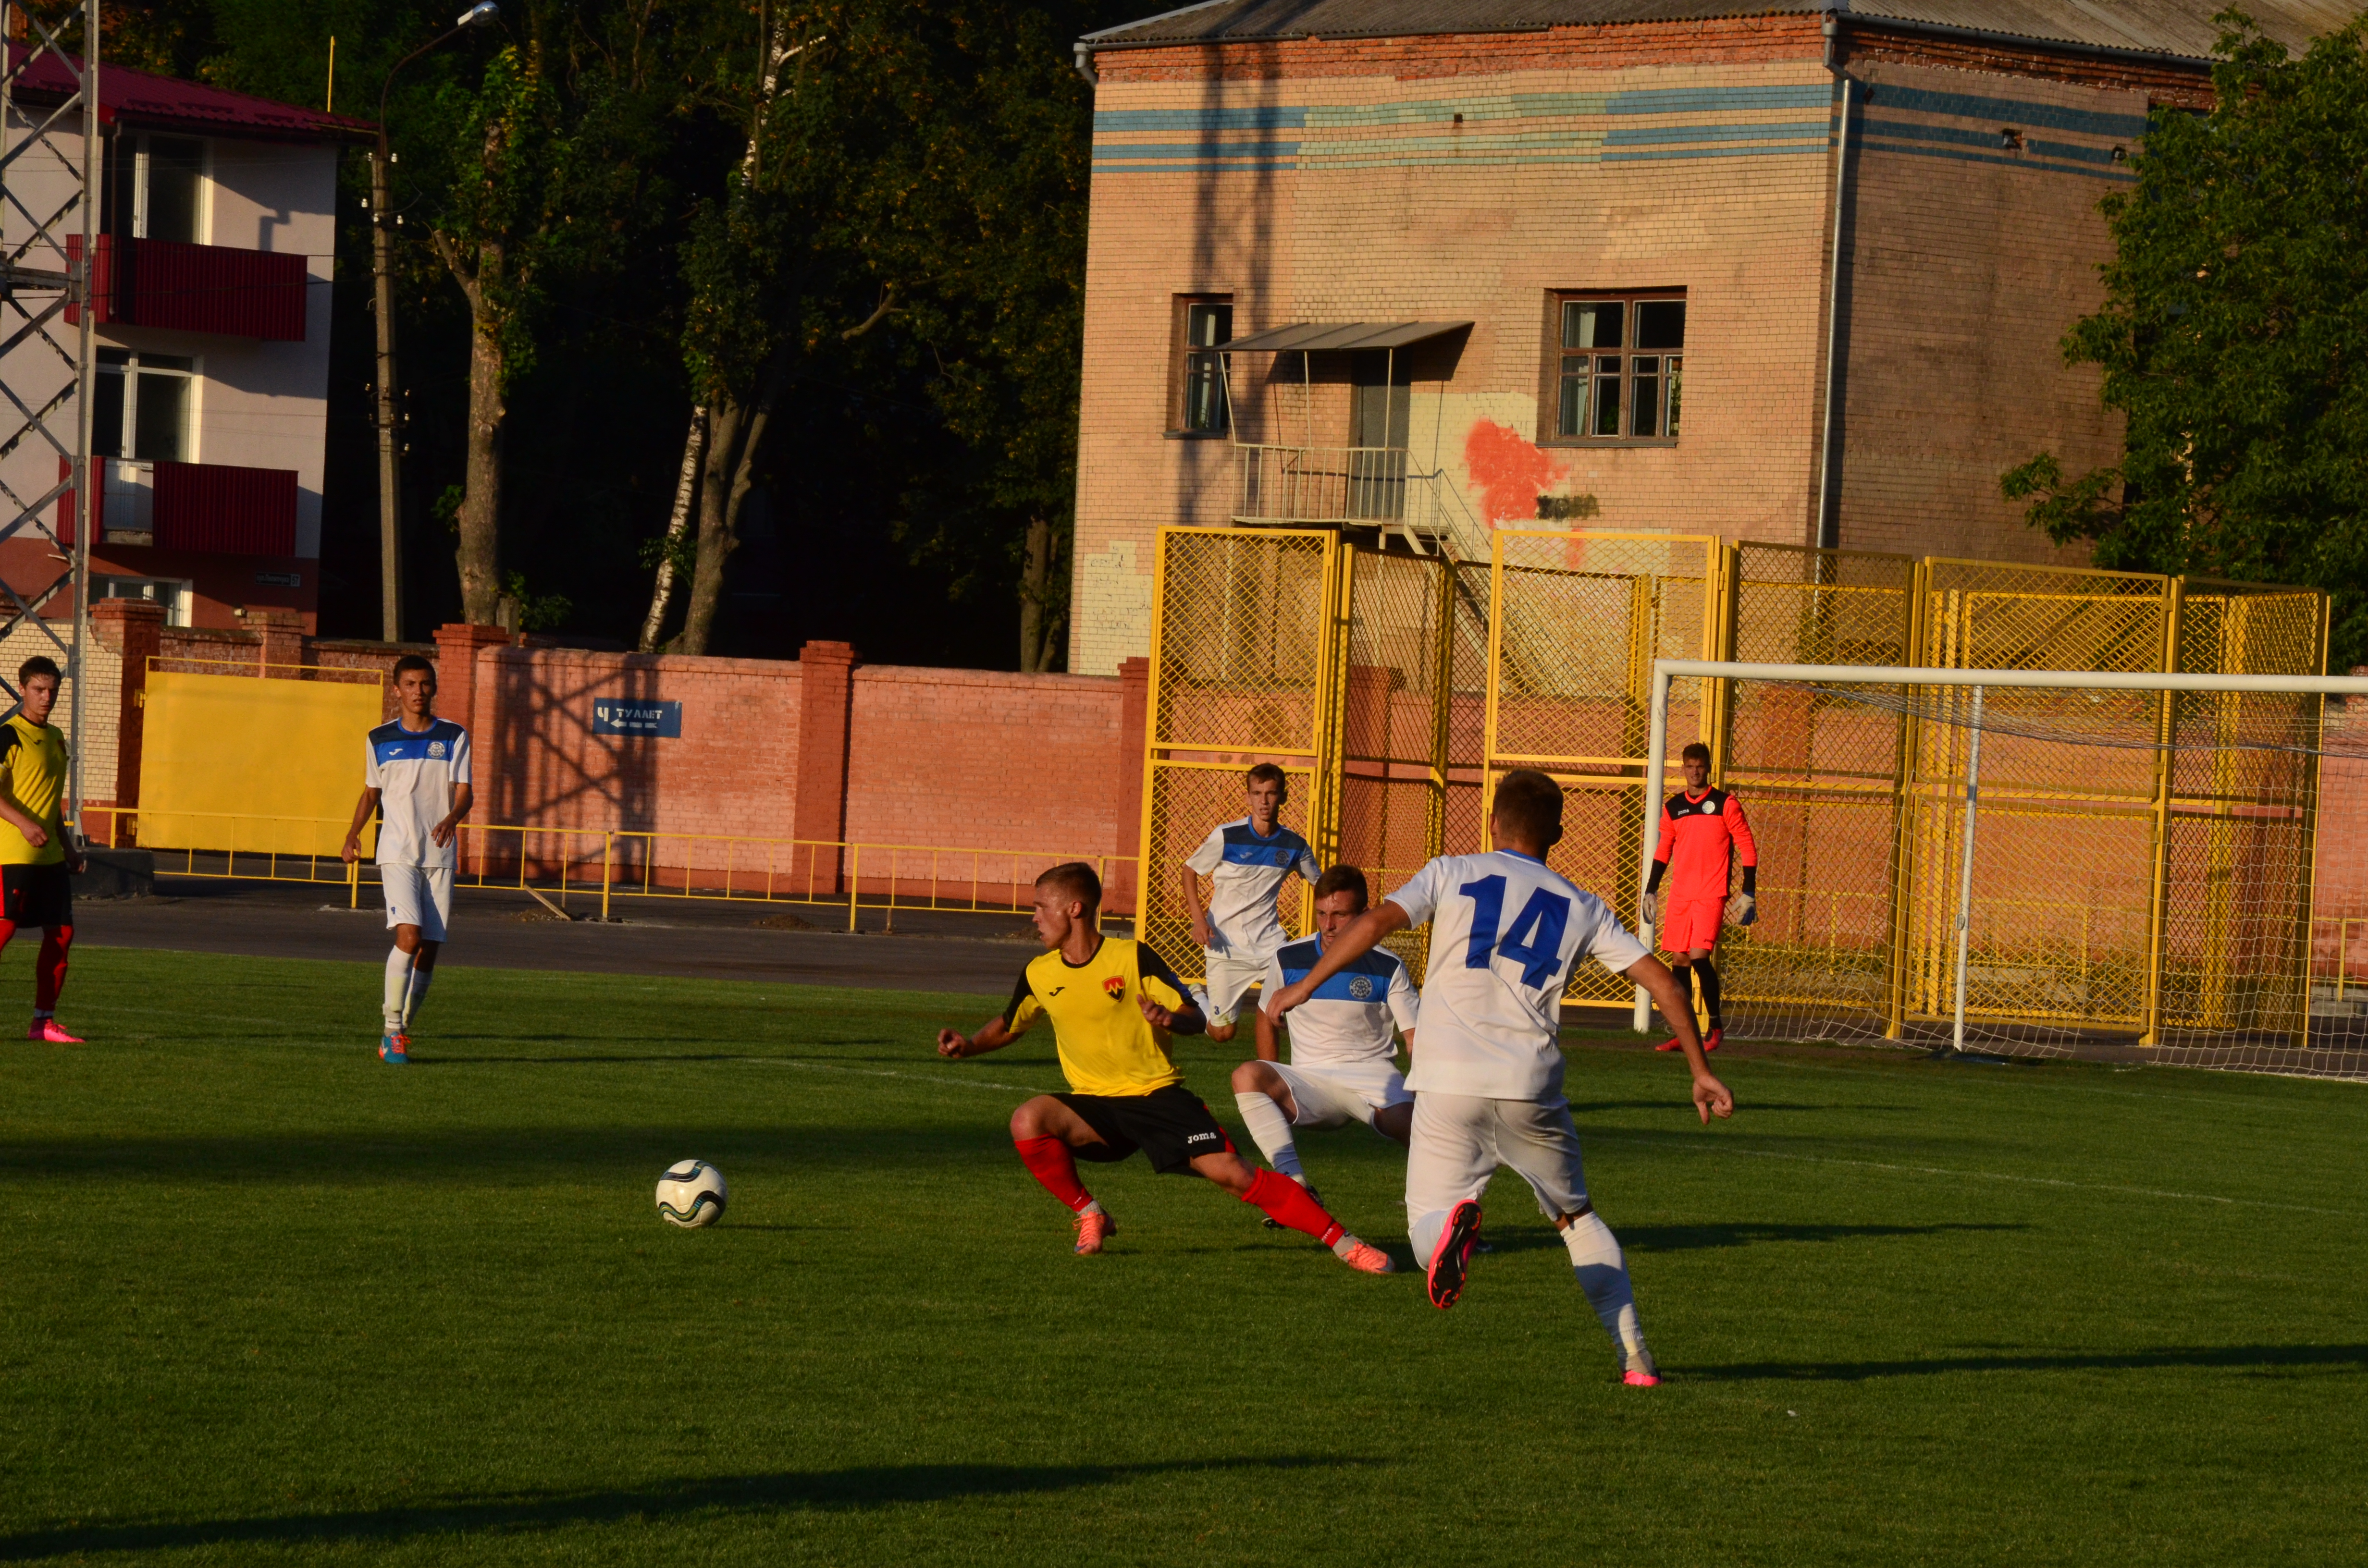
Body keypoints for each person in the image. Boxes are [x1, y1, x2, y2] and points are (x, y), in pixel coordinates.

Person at [1264, 769, 1734, 1386]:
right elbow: (1667, 983)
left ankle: (1456, 1221)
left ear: (1491, 821)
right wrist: (1699, 1071)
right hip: (1529, 1086)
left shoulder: (1449, 872)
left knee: (1426, 1229)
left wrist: (1303, 982)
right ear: (1558, 834)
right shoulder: (1583, 906)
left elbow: (1373, 924)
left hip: (1447, 1080)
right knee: (1577, 1221)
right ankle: (1635, 1360)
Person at [937, 860, 1393, 1274]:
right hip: (1096, 1106)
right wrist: (969, 1044)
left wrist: (1169, 1019)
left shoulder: (1131, 957)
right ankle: (1090, 1213)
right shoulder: (1040, 972)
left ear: (1074, 908)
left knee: (1235, 1174)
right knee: (1028, 1119)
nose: (1034, 918)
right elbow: (1011, 1022)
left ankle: (1346, 1244)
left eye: (1041, 907)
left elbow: (1196, 1017)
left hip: (1157, 1097)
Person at [1232, 864, 1418, 1219]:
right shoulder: (1289, 957)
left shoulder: (1388, 966)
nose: (1329, 925)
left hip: (1372, 1077)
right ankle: (1294, 1186)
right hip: (1311, 1081)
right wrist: (1276, 1072)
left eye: (1340, 915)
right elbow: (1264, 1014)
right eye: (1322, 914)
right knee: (1247, 1075)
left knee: (1424, 1132)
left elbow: (1414, 1036)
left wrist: (1425, 1089)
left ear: (1364, 914)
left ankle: (1448, 1218)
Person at [341, 654, 472, 1065]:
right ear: (397, 689)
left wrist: (453, 816)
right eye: (410, 685)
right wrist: (352, 834)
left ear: (433, 688)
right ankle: (391, 1030)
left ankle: (404, 1023)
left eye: (425, 684)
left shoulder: (454, 735)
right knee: (409, 938)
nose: (418, 692)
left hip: (439, 853)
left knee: (429, 948)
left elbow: (465, 790)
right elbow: (371, 792)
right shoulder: (378, 738)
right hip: (397, 851)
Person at [1181, 762, 1321, 1042]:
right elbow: (1189, 871)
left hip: (1270, 946)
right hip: (1226, 948)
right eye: (1257, 793)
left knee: (1293, 1012)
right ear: (1248, 798)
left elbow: (1321, 885)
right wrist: (1199, 920)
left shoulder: (1294, 845)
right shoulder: (1227, 836)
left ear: (1283, 796)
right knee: (1223, 1033)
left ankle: (1273, 1077)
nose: (1264, 801)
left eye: (1271, 793)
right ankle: (1199, 998)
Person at [1639, 741, 1758, 1053]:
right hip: (1681, 894)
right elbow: (1664, 850)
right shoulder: (1673, 807)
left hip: (1711, 893)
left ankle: (1716, 1029)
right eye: (1689, 766)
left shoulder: (1725, 804)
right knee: (1679, 959)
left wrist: (1749, 890)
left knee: (1698, 957)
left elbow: (1746, 844)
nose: (1695, 772)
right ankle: (1686, 1032)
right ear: (1683, 769)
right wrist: (1651, 888)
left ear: (1708, 768)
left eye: (1700, 766)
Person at [0, 656, 87, 1042]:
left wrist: (67, 846)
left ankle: (43, 1023)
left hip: (50, 857)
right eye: (39, 689)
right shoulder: (8, 735)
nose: (46, 697)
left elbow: (52, 802)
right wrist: (22, 823)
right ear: (22, 690)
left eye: (52, 690)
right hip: (13, 855)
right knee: (3, 933)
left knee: (62, 935)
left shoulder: (55, 738)